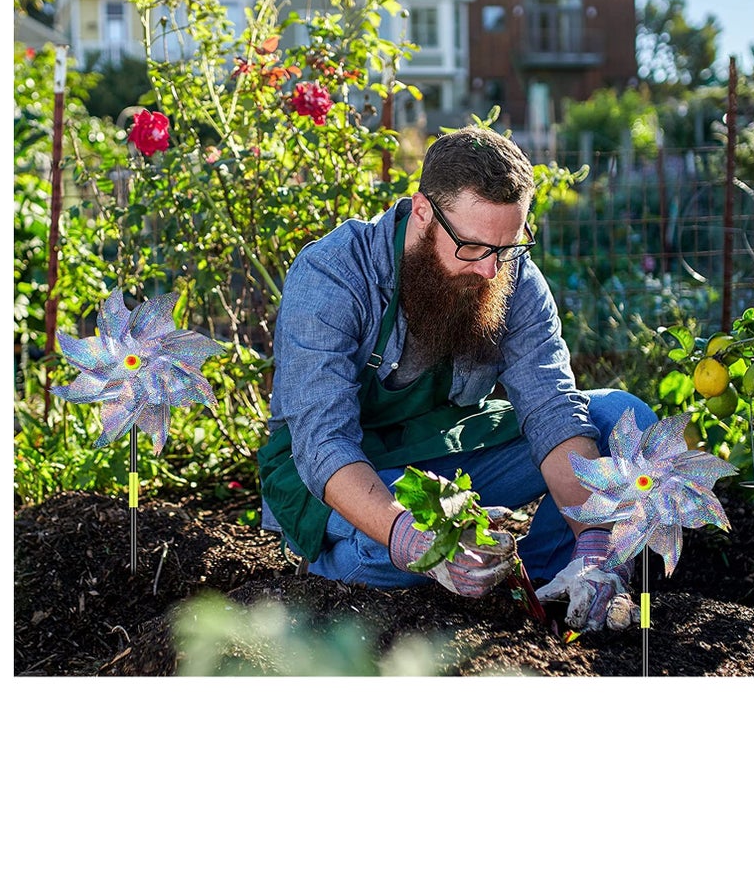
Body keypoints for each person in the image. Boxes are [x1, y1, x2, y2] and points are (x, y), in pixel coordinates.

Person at [258, 125, 656, 632]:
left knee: (623, 421)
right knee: (402, 550)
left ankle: (545, 585)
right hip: (343, 472)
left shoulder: (510, 274)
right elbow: (322, 443)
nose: (491, 270)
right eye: (471, 247)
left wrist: (597, 544)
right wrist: (409, 538)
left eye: (507, 247)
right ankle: (335, 572)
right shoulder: (334, 275)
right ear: (422, 211)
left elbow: (552, 408)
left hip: (444, 451)